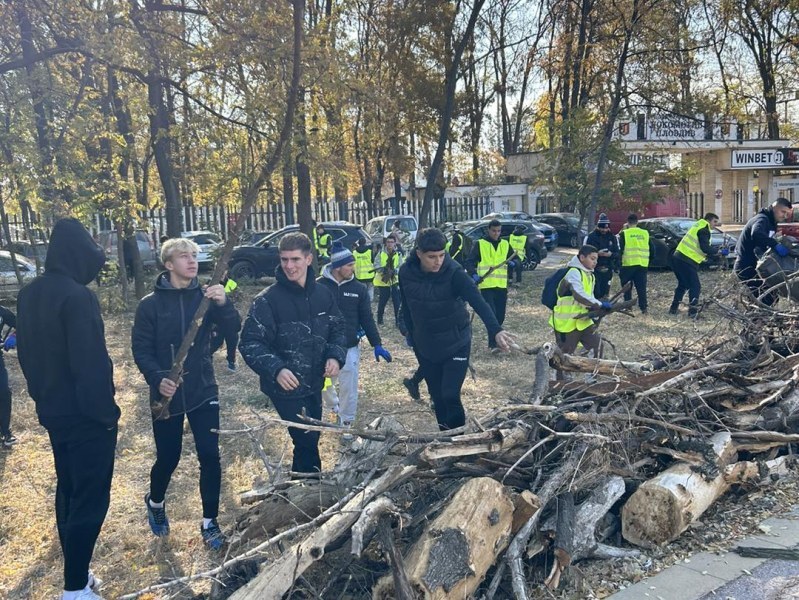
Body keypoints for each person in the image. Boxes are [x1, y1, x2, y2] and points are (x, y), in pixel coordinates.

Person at [17, 218, 120, 600]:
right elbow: (90, 365)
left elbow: (26, 355)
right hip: (86, 417)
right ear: (78, 254)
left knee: (70, 491)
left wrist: (41, 398)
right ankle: (75, 589)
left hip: (53, 413)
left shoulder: (30, 294)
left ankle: (78, 573)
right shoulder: (77, 297)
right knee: (90, 500)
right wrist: (107, 416)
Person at [132, 238, 241, 550]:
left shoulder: (206, 298)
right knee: (169, 457)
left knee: (209, 454)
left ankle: (209, 522)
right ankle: (155, 502)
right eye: (184, 257)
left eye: (194, 255)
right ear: (168, 264)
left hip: (203, 388)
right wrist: (158, 378)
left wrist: (224, 303)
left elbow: (233, 329)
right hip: (166, 394)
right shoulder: (149, 305)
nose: (193, 261)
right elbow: (140, 348)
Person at [239, 232, 346, 473]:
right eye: (284, 259)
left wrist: (334, 355)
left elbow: (338, 328)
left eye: (295, 259)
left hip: (315, 381)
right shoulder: (267, 300)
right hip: (284, 386)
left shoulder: (323, 294)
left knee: (311, 436)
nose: (289, 266)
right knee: (305, 438)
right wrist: (276, 369)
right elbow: (249, 343)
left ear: (309, 259)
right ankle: (312, 487)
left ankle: (301, 487)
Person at [399, 229, 512, 430]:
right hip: (425, 344)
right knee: (437, 397)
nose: (438, 261)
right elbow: (407, 305)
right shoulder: (406, 273)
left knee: (450, 394)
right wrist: (408, 331)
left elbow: (478, 301)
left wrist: (495, 330)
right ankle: (446, 440)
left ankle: (460, 440)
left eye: (442, 255)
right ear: (419, 253)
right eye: (431, 257)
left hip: (456, 341)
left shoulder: (454, 272)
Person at [318, 243, 391, 438]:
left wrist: (377, 344)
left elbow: (367, 318)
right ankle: (333, 406)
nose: (354, 268)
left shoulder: (358, 289)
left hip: (349, 347)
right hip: (323, 348)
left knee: (349, 387)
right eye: (350, 265)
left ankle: (346, 422)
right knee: (324, 384)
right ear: (337, 267)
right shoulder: (318, 286)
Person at [549, 245, 611, 364]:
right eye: (592, 259)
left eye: (596, 259)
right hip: (567, 323)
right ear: (582, 257)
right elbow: (579, 294)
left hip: (583, 321)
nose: (595, 262)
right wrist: (599, 304)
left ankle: (592, 377)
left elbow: (589, 297)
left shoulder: (589, 275)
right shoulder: (574, 273)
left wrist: (596, 309)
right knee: (564, 355)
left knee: (597, 346)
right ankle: (560, 381)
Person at [465, 219, 515, 352]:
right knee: (491, 314)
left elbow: (515, 258)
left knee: (500, 315)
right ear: (488, 230)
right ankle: (493, 344)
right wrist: (474, 275)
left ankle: (498, 339)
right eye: (494, 231)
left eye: (498, 231)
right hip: (486, 285)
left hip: (501, 285)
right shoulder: (480, 244)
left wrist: (514, 264)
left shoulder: (505, 244)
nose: (496, 233)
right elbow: (469, 262)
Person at [734, 197, 793, 304]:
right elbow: (756, 234)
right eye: (783, 212)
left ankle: (759, 319)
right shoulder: (762, 219)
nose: (784, 216)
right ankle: (757, 320)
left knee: (772, 296)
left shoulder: (771, 222)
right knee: (764, 298)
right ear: (774, 207)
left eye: (787, 214)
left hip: (756, 266)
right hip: (746, 266)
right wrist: (775, 245)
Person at [670, 213, 723, 317]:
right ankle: (693, 313)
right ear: (709, 220)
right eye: (714, 222)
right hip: (687, 259)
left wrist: (713, 256)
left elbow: (700, 248)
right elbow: (705, 248)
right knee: (695, 286)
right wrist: (719, 252)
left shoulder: (698, 224)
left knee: (683, 284)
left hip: (678, 257)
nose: (715, 225)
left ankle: (673, 309)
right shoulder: (704, 229)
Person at [618, 213, 652, 314]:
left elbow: (620, 249)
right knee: (641, 288)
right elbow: (652, 248)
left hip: (628, 264)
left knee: (627, 288)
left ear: (627, 222)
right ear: (637, 222)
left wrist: (618, 263)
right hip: (642, 264)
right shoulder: (645, 233)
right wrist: (649, 261)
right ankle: (644, 308)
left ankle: (628, 307)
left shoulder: (624, 234)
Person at [210, 272, 241, 371]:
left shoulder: (232, 284)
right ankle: (206, 360)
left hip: (230, 319)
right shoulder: (210, 285)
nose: (221, 274)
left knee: (232, 342)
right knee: (214, 343)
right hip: (217, 321)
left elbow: (238, 298)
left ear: (226, 271)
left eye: (223, 271)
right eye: (219, 270)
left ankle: (231, 362)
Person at [585, 213, 619, 300]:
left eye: (606, 228)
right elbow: (585, 252)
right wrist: (597, 254)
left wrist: (611, 254)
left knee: (605, 290)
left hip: (608, 267)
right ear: (598, 226)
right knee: (596, 290)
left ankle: (604, 303)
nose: (604, 230)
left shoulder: (612, 237)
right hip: (595, 267)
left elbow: (617, 253)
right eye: (602, 228)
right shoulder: (591, 237)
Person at [373, 234, 403, 326]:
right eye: (388, 242)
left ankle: (398, 322)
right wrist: (384, 270)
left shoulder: (398, 254)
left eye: (392, 242)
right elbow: (376, 265)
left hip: (394, 281)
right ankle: (380, 319)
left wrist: (395, 271)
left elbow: (400, 266)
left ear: (395, 243)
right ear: (386, 243)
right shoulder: (381, 253)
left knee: (397, 303)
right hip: (383, 282)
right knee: (383, 301)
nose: (390, 244)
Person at [0, 306, 17, 448]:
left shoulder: (2, 311)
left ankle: (5, 432)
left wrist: (14, 336)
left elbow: (22, 324)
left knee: (4, 392)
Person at [353, 237, 375, 301]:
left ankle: (363, 302)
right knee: (370, 289)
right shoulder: (369, 252)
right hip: (370, 275)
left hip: (359, 276)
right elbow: (373, 261)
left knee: (362, 291)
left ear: (358, 243)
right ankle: (369, 302)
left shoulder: (354, 253)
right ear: (365, 243)